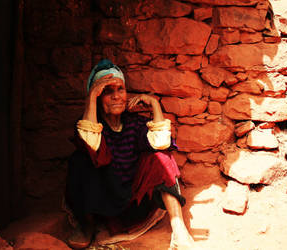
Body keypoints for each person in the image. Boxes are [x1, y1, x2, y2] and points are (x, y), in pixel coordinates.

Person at [64, 59, 194, 249]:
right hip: (100, 200)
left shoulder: (134, 124)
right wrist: (91, 96)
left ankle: (179, 227)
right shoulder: (88, 124)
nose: (117, 96)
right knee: (82, 158)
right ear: (98, 98)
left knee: (161, 157)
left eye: (120, 89)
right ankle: (87, 225)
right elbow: (91, 143)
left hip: (131, 203)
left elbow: (161, 142)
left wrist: (154, 104)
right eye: (108, 91)